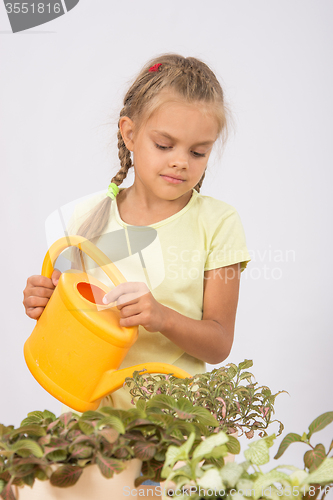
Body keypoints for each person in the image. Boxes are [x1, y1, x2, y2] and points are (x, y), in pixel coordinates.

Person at [23, 53, 251, 411]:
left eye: (198, 152)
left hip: (176, 419)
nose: (180, 161)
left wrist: (163, 318)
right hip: (97, 414)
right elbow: (71, 312)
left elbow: (220, 343)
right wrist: (45, 302)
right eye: (164, 145)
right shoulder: (86, 217)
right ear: (130, 133)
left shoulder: (218, 224)